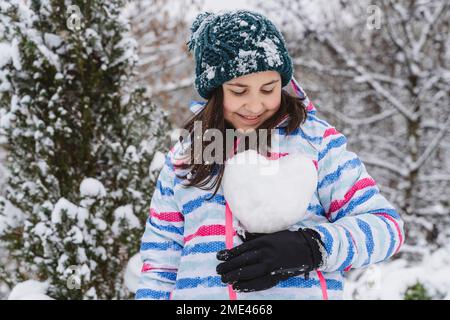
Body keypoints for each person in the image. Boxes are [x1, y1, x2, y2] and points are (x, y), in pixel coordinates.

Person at [135, 9, 405, 300]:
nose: (255, 106)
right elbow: (160, 268)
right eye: (239, 91)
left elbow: (386, 228)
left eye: (268, 88)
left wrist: (313, 247)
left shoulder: (316, 143)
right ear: (214, 91)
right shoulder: (184, 159)